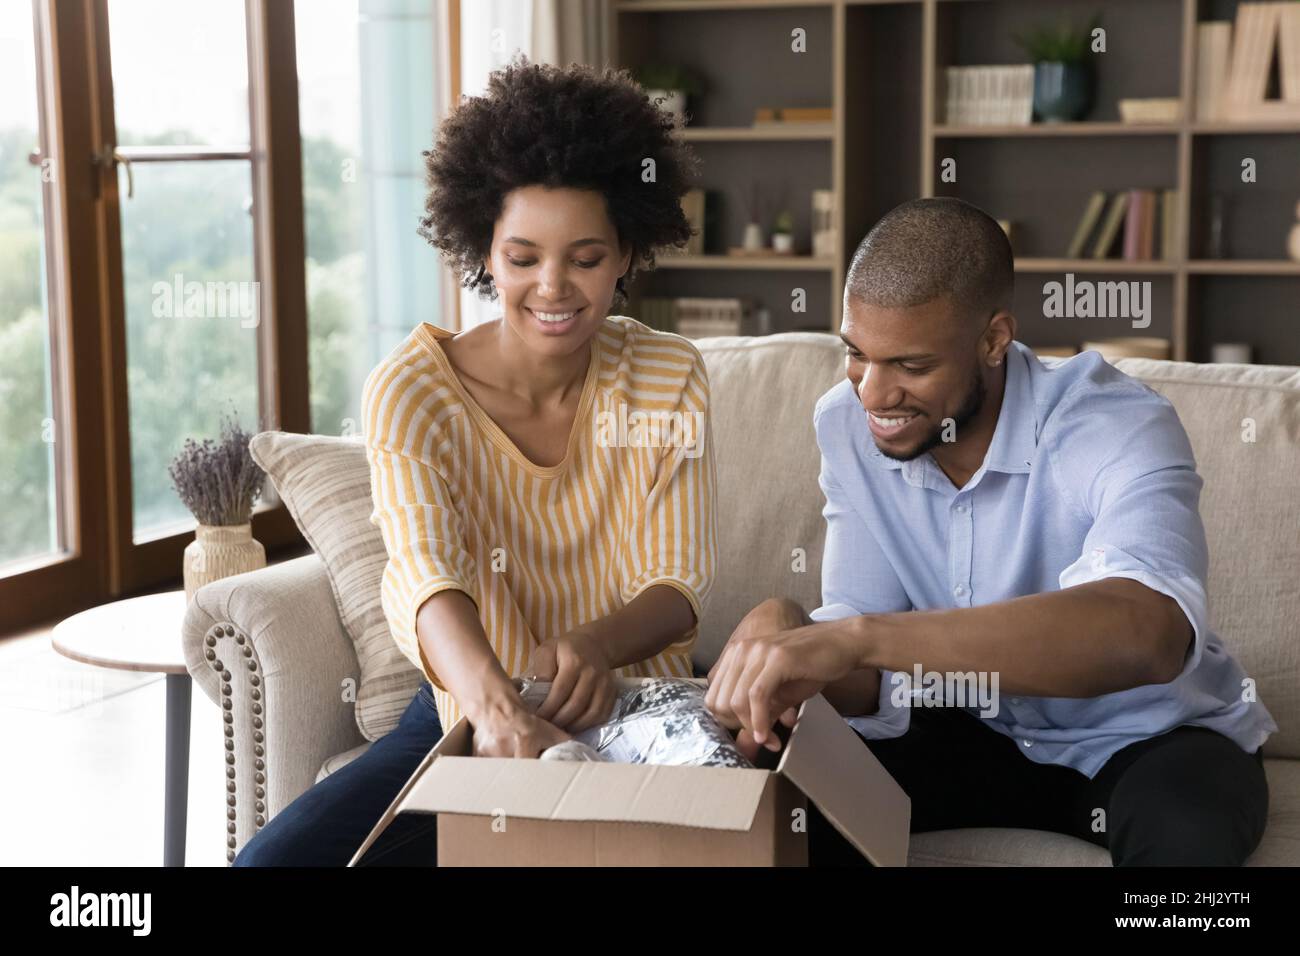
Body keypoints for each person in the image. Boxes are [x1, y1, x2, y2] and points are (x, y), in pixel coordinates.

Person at [234, 56, 717, 866]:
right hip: (469, 700)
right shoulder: (413, 393)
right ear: (482, 253)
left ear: (629, 251)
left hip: (641, 704)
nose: (553, 287)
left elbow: (680, 584)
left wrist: (595, 646)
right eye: (523, 257)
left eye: (586, 258)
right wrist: (494, 707)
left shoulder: (669, 375)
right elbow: (428, 575)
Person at [706, 197, 1276, 866]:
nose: (873, 395)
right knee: (776, 807)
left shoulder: (1115, 423)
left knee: (1186, 850)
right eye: (857, 354)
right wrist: (793, 640)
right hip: (969, 724)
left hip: (1151, 737)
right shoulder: (846, 422)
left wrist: (857, 638)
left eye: (911, 367)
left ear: (994, 340)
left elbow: (1145, 633)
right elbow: (862, 662)